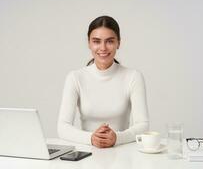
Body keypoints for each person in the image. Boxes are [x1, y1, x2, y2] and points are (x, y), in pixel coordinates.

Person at [57, 16, 149, 148]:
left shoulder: (133, 77)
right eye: (96, 41)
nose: (103, 47)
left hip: (122, 152)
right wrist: (91, 138)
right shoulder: (75, 77)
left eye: (110, 41)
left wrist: (117, 138)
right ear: (89, 43)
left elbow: (143, 125)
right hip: (87, 153)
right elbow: (62, 127)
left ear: (118, 43)